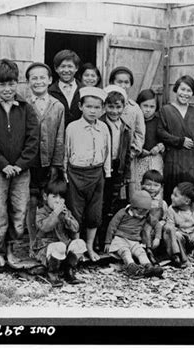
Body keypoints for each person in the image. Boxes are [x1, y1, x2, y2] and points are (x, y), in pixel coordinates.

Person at [0, 59, 39, 268]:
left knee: (20, 210)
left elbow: (33, 141)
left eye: (11, 84)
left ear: (17, 84)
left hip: (21, 172)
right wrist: (3, 164)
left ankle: (12, 249)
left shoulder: (26, 108)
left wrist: (19, 165)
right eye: (2, 84)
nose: (7, 89)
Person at [64, 86, 111, 262]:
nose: (93, 111)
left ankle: (90, 247)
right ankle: (78, 248)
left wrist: (105, 173)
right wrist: (66, 175)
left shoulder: (104, 128)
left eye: (97, 107)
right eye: (89, 106)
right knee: (75, 212)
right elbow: (66, 153)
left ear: (103, 109)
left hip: (96, 173)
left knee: (94, 213)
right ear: (80, 106)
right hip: (76, 174)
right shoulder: (72, 128)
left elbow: (107, 151)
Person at [25, 62, 65, 253]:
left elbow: (59, 137)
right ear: (28, 82)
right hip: (28, 163)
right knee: (31, 201)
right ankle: (33, 243)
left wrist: (56, 164)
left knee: (47, 201)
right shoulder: (23, 104)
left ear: (50, 80)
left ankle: (48, 242)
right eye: (34, 78)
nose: (38, 81)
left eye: (42, 77)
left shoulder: (57, 106)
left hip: (48, 163)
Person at [157, 75, 194, 205]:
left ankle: (190, 222)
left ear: (193, 93)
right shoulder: (166, 110)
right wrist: (179, 141)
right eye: (183, 89)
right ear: (176, 89)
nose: (185, 93)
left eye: (189, 90)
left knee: (190, 190)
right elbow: (161, 132)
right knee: (174, 190)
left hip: (191, 159)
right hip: (174, 158)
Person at [32, 175, 87, 287]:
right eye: (54, 197)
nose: (58, 200)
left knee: (80, 243)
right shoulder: (41, 212)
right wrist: (55, 214)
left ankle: (69, 271)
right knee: (59, 246)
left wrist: (67, 218)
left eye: (61, 197)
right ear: (45, 197)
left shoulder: (65, 211)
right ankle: (52, 273)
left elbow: (76, 228)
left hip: (63, 246)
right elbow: (45, 227)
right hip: (45, 248)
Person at [98, 85, 132, 249]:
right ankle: (97, 239)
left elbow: (127, 154)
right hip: (102, 168)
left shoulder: (126, 127)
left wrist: (126, 174)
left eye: (118, 107)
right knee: (100, 203)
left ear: (123, 107)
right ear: (105, 106)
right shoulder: (100, 123)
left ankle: (108, 239)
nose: (114, 111)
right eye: (110, 107)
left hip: (117, 167)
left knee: (113, 203)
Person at [104, 190, 164, 279]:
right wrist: (108, 242)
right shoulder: (123, 213)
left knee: (141, 252)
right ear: (132, 207)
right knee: (125, 252)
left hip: (134, 240)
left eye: (145, 212)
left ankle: (149, 267)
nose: (141, 215)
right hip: (120, 239)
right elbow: (112, 226)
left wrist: (157, 238)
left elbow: (157, 225)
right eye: (139, 212)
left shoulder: (146, 215)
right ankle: (131, 268)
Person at [108, 66, 145, 198]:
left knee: (124, 193)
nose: (123, 85)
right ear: (112, 82)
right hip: (105, 160)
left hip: (126, 160)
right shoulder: (104, 105)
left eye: (126, 82)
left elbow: (140, 134)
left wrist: (130, 153)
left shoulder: (134, 108)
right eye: (119, 82)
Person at [163, 182, 194, 268]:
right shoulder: (171, 210)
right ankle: (183, 259)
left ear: (187, 201)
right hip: (181, 236)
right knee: (176, 235)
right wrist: (174, 230)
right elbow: (170, 225)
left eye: (175, 195)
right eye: (172, 194)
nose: (171, 197)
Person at [133, 89, 165, 192]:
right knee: (139, 185)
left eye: (152, 107)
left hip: (155, 159)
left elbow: (165, 138)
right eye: (145, 106)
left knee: (155, 185)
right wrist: (139, 151)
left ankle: (155, 206)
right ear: (139, 105)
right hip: (138, 160)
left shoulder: (159, 121)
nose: (148, 110)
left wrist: (159, 146)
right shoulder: (135, 120)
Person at [139, 170, 169, 265]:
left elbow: (165, 218)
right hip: (143, 227)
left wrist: (162, 223)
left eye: (156, 185)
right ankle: (147, 252)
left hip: (157, 228)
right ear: (142, 185)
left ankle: (164, 254)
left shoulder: (162, 203)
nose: (152, 188)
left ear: (161, 187)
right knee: (146, 229)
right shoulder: (138, 201)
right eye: (148, 184)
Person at [48, 49, 83, 126]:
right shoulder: (50, 92)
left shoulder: (84, 90)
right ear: (56, 69)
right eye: (63, 66)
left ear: (76, 68)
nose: (66, 70)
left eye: (70, 66)